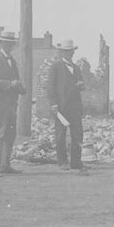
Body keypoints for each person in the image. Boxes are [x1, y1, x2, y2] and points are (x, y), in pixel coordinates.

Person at [0, 31, 26, 176]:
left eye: (11, 43)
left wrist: (20, 87)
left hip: (11, 105)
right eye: (6, 42)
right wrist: (10, 84)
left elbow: (15, 82)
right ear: (1, 43)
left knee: (9, 134)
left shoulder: (12, 61)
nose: (9, 45)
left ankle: (4, 165)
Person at [47, 39, 87, 173]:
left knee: (78, 135)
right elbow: (50, 88)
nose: (69, 54)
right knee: (60, 135)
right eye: (66, 51)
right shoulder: (55, 67)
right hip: (61, 106)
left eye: (70, 51)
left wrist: (81, 85)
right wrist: (53, 104)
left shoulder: (76, 68)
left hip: (75, 106)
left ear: (73, 52)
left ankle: (76, 162)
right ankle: (62, 162)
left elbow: (81, 84)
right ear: (61, 52)